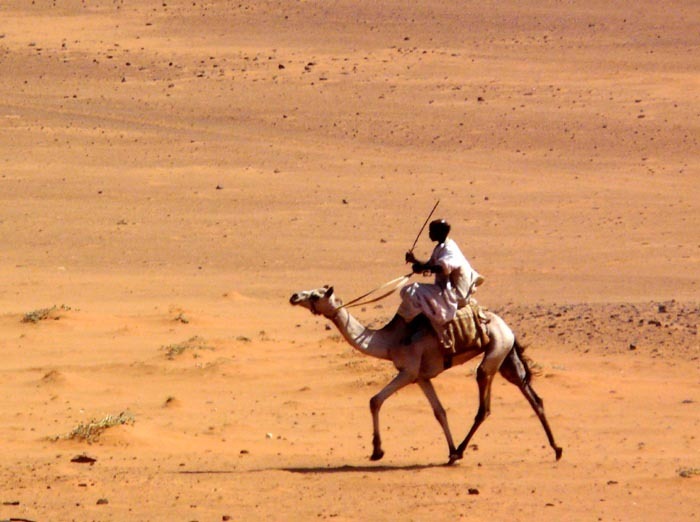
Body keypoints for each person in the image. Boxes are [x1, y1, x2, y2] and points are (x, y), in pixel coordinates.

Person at [397, 219, 483, 342]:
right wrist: (415, 262)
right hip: (443, 289)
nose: (429, 234)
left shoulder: (450, 249)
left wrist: (423, 267)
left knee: (412, 291)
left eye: (432, 231)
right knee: (409, 291)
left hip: (454, 293)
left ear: (441, 232)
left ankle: (414, 330)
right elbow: (431, 264)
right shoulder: (441, 247)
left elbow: (442, 268)